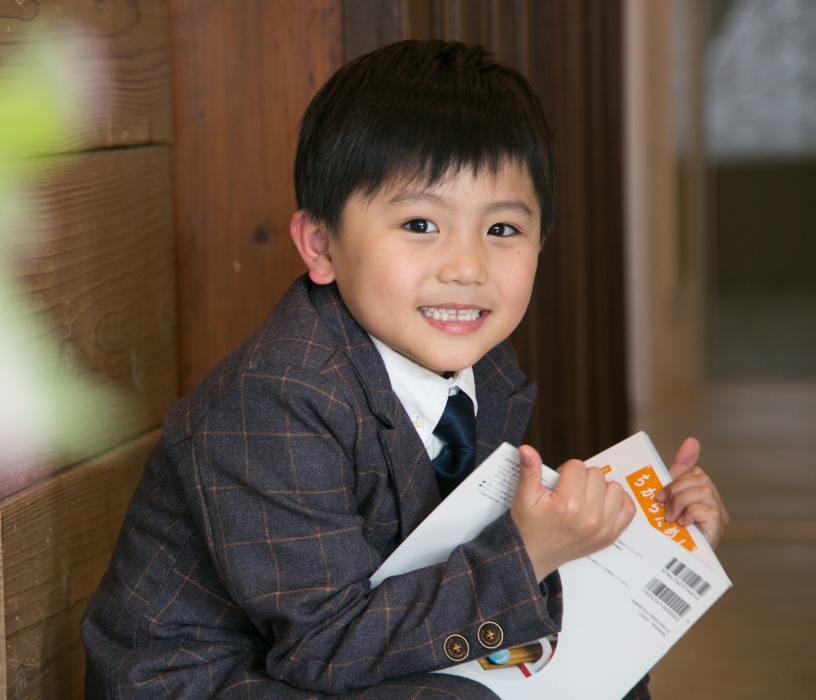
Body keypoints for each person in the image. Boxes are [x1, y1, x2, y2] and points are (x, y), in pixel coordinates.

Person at [81, 39, 729, 699]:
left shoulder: (480, 362)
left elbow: (446, 558)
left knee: (607, 673)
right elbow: (322, 647)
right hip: (213, 682)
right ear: (321, 244)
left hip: (348, 643)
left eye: (502, 230)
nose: (466, 269)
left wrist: (652, 527)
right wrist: (528, 552)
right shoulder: (276, 398)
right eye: (421, 223)